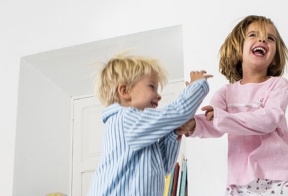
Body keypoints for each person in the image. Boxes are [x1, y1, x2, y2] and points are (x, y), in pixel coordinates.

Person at [184, 15, 288, 195]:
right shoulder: (226, 93)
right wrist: (192, 125)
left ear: (276, 57)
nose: (262, 39)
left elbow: (268, 120)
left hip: (277, 176)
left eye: (270, 38)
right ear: (237, 49)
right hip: (238, 180)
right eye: (253, 35)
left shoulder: (278, 85)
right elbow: (213, 123)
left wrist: (223, 117)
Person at [87, 53, 213, 196]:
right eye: (152, 87)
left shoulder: (138, 128)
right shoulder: (127, 119)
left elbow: (163, 167)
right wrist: (197, 85)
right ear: (125, 91)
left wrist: (173, 133)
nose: (158, 95)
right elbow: (179, 111)